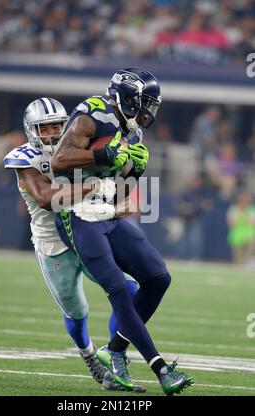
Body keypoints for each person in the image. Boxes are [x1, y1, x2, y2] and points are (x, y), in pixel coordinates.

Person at [52, 68, 194, 395]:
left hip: (107, 212)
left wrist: (136, 172)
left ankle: (115, 348)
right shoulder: (93, 114)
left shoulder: (132, 132)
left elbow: (120, 194)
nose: (148, 113)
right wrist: (99, 154)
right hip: (76, 212)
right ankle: (160, 369)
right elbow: (60, 160)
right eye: (146, 104)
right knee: (117, 288)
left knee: (158, 276)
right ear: (128, 98)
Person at [3, 97, 141, 387]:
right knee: (76, 312)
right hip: (53, 244)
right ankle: (90, 356)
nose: (53, 134)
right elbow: (45, 198)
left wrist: (131, 169)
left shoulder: (81, 148)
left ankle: (116, 353)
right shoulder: (26, 157)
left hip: (84, 229)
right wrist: (92, 185)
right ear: (31, 131)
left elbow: (115, 191)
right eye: (45, 128)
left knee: (129, 289)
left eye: (57, 127)